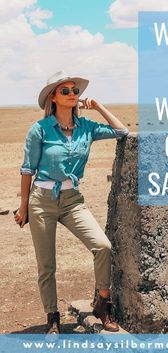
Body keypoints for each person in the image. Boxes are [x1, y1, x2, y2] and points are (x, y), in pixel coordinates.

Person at [14, 71, 129, 335]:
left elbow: (121, 131)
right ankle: (52, 316)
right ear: (53, 97)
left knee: (102, 246)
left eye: (75, 91)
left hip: (72, 200)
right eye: (65, 91)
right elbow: (26, 170)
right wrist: (24, 207)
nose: (72, 94)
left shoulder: (86, 127)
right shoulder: (40, 130)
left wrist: (98, 106)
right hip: (41, 201)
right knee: (47, 264)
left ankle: (102, 304)